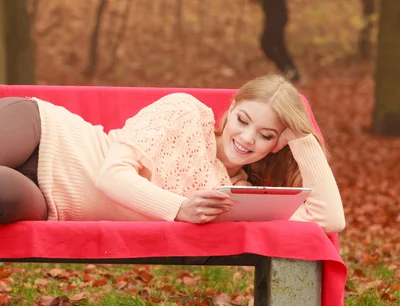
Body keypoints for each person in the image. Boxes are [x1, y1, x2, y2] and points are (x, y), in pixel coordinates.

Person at [0, 74, 345, 233]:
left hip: (48, 201)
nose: (246, 137)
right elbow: (110, 175)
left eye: (266, 135)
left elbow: (329, 219)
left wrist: (303, 140)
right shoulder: (185, 112)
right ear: (232, 107)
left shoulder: (234, 195)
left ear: (276, 144)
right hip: (45, 133)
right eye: (243, 120)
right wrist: (180, 209)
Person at [249, 0, 301, 83]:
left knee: (267, 43)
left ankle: (287, 70)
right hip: (271, 16)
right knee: (278, 44)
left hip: (278, 16)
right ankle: (290, 72)